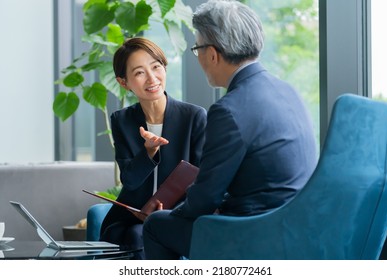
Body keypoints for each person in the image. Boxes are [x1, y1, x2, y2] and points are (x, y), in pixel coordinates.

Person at [142, 0, 318, 259]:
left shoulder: (229, 109)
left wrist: (168, 210)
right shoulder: (287, 90)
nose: (198, 57)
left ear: (212, 54)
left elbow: (205, 198)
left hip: (255, 234)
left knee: (157, 225)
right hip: (295, 227)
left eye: (197, 49)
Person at [99, 37, 207, 259]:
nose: (151, 78)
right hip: (131, 218)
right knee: (133, 235)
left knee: (145, 235)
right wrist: (148, 152)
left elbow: (201, 180)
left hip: (178, 216)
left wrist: (168, 213)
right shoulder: (122, 120)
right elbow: (129, 181)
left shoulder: (194, 117)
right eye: (139, 73)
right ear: (123, 82)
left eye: (156, 67)